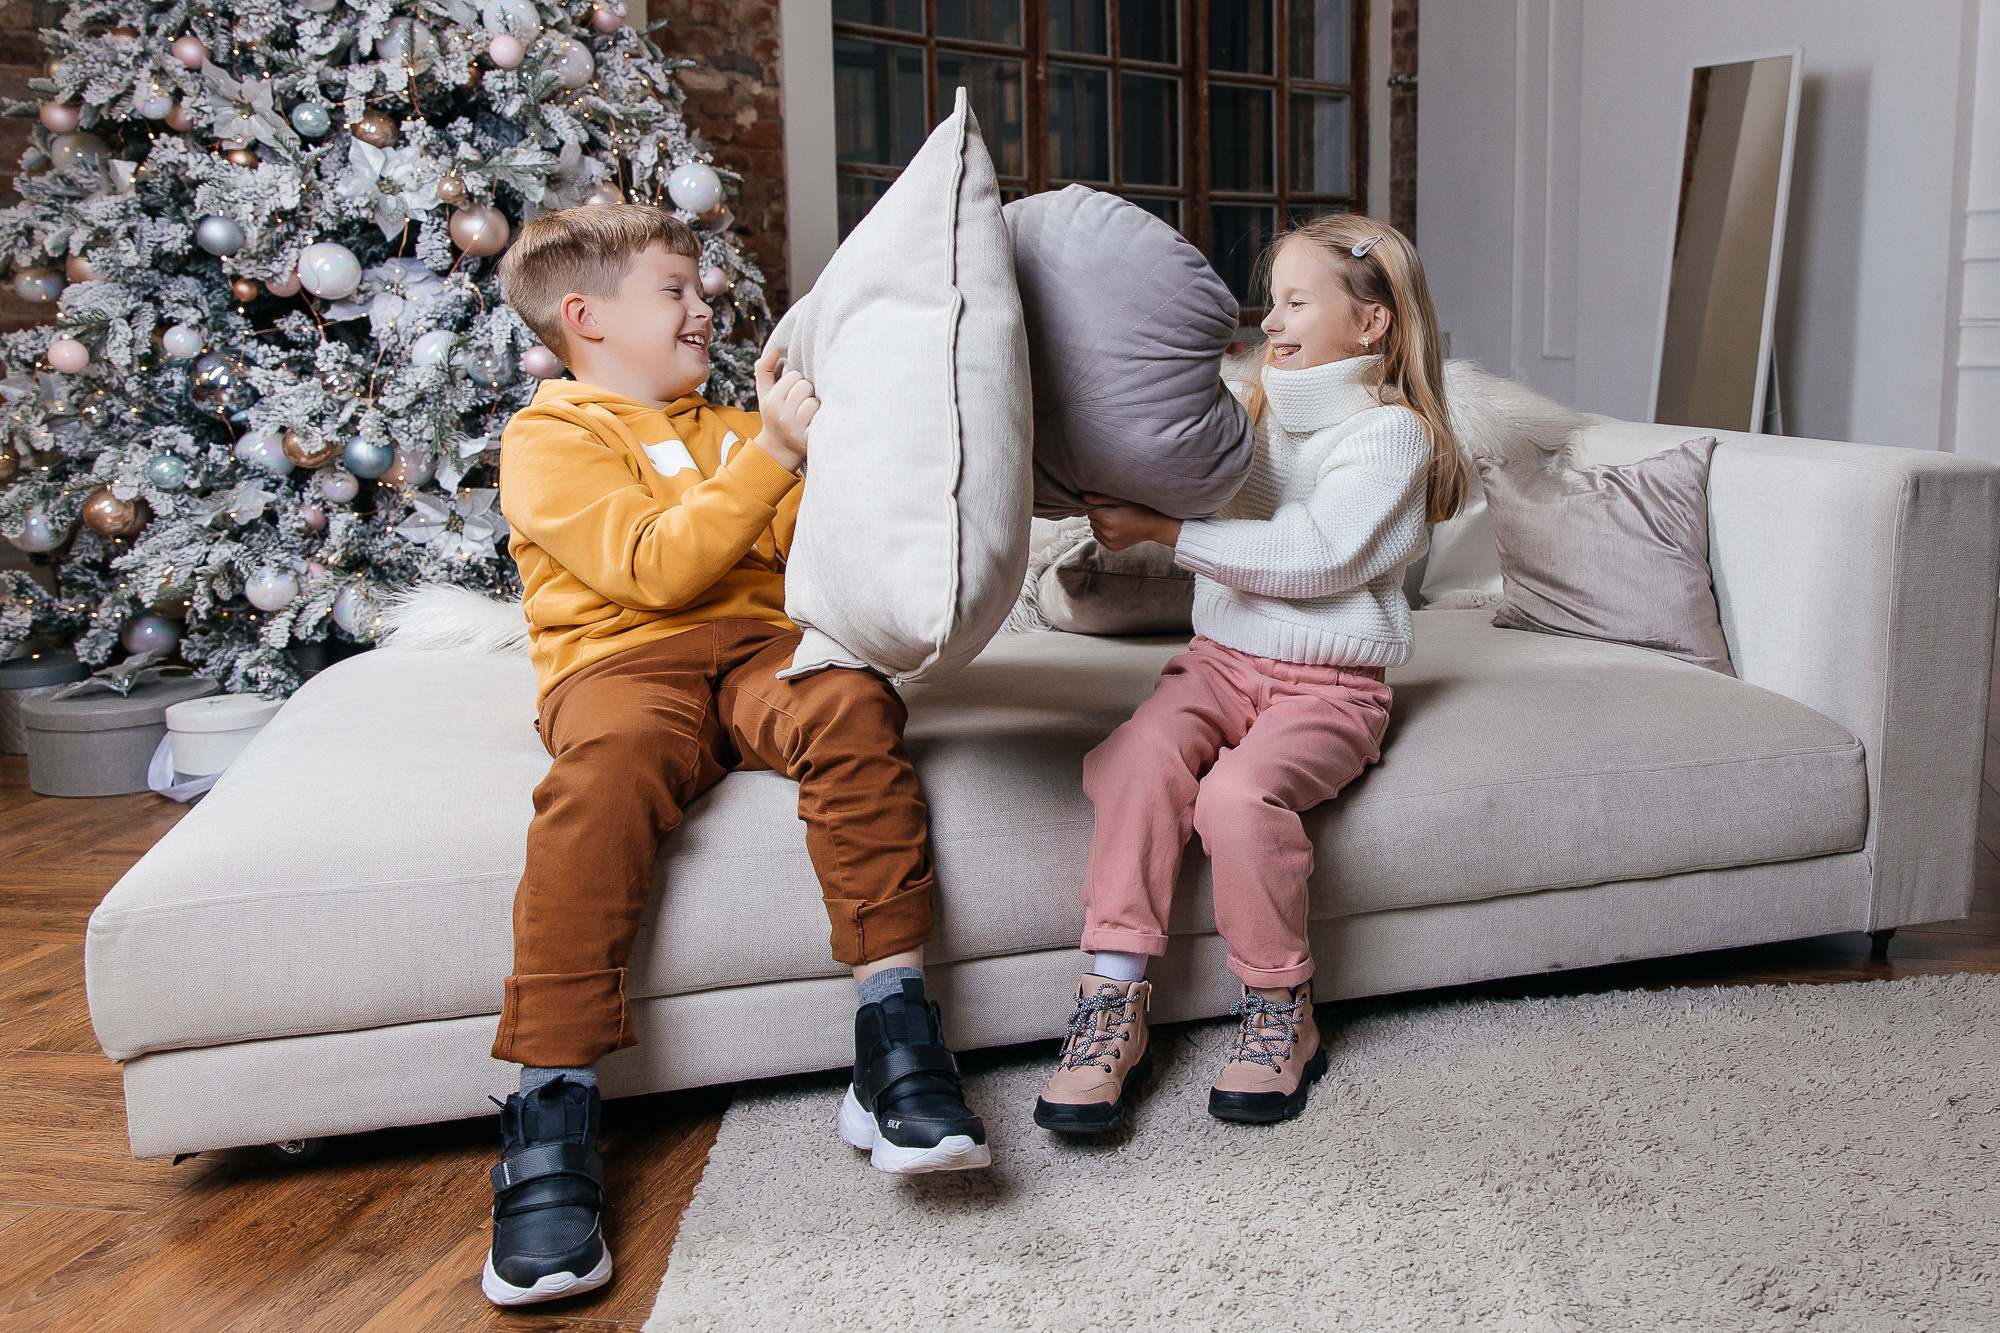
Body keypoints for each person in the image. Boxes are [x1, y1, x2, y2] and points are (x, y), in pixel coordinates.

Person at [480, 204, 990, 1308]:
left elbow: (807, 550)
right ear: (586, 318)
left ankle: (894, 1033)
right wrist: (771, 453)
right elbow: (655, 568)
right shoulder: (551, 435)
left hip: (766, 649)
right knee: (600, 780)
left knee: (852, 702)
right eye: (672, 288)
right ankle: (550, 1104)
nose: (702, 303)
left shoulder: (728, 426)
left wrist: (817, 452)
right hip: (621, 666)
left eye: (696, 285)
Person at [1033, 214, 1469, 1135]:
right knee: (1136, 756)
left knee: (1235, 799)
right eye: (1271, 302)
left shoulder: (1390, 437)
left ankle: (1281, 1008)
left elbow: (1313, 556)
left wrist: (1163, 534)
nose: (1271, 321)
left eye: (1296, 301)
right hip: (1219, 666)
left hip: (1331, 688)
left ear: (1373, 322)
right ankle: (1112, 1001)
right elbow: (1160, 442)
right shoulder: (1255, 413)